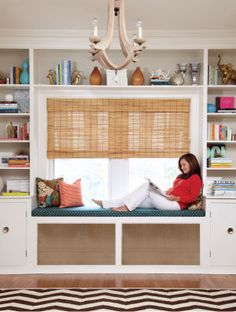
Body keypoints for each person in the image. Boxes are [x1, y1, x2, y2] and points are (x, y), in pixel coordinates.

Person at [92, 153, 203, 212]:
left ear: (192, 163)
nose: (182, 167)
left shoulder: (195, 178)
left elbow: (193, 197)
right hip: (167, 200)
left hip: (176, 205)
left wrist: (177, 198)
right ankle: (107, 203)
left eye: (184, 164)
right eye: (181, 165)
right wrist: (166, 191)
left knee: (146, 186)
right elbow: (176, 188)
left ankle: (127, 208)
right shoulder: (181, 177)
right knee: (136, 198)